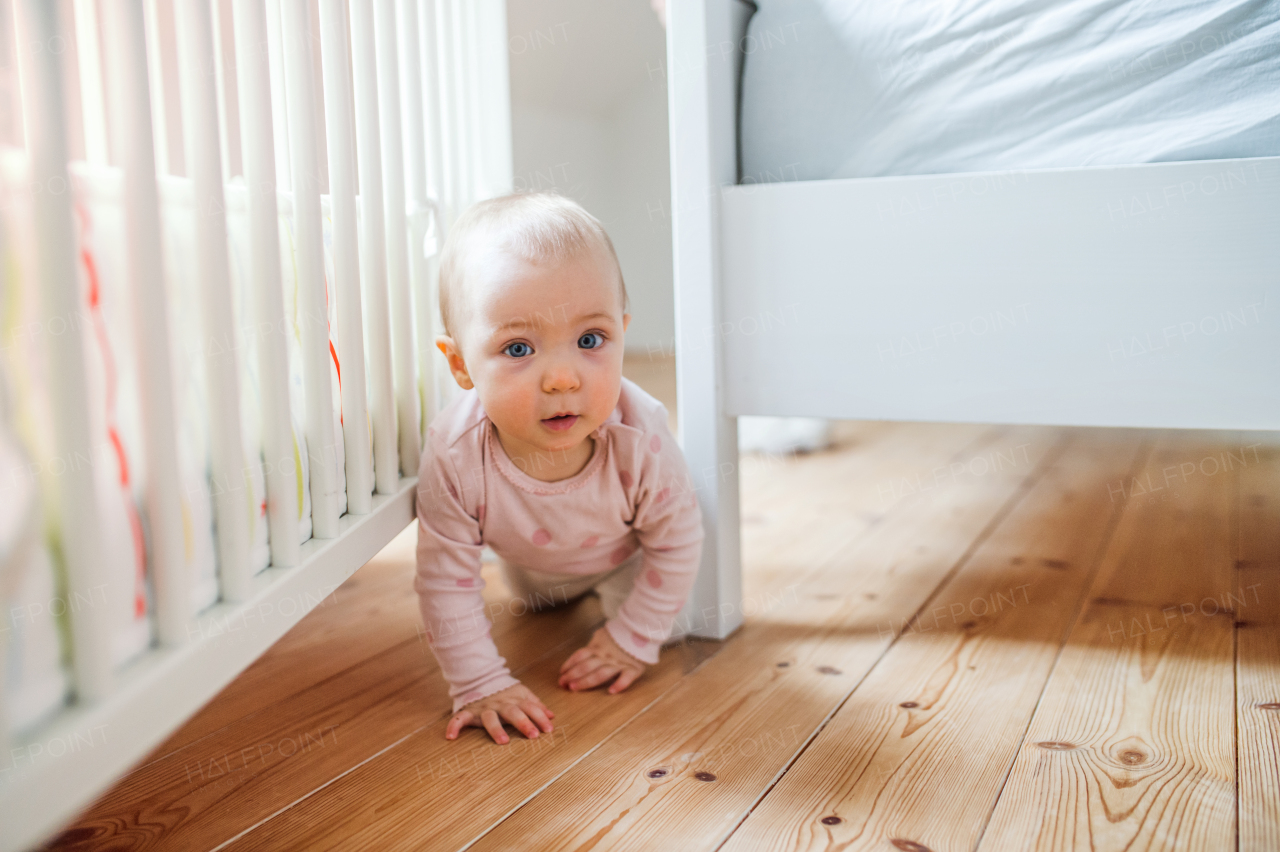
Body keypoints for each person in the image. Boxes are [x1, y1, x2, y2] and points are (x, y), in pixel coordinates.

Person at [415, 192, 705, 745]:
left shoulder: (637, 432)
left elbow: (677, 541)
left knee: (673, 625)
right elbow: (446, 582)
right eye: (519, 348)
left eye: (590, 341)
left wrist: (631, 637)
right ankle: (560, 593)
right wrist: (478, 683)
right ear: (460, 364)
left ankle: (624, 616)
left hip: (631, 558)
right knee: (535, 602)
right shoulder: (455, 453)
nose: (563, 378)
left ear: (621, 332)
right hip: (529, 567)